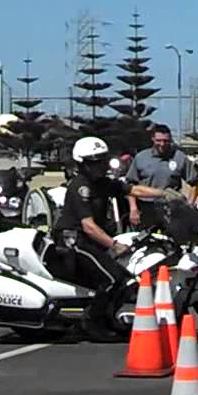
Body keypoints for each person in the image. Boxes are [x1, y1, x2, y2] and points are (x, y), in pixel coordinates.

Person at [50, 136, 133, 340]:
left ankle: (108, 318)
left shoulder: (103, 183)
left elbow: (133, 190)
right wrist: (114, 245)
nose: (101, 166)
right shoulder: (80, 186)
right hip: (74, 241)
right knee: (112, 279)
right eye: (95, 162)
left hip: (90, 240)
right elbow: (88, 226)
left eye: (103, 160)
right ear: (83, 164)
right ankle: (92, 323)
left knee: (125, 278)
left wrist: (164, 195)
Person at [126, 124, 196, 231]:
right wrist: (133, 208)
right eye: (158, 140)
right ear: (153, 139)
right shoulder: (141, 157)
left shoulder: (179, 157)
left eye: (166, 141)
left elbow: (193, 182)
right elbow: (130, 186)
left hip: (171, 208)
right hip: (146, 207)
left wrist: (190, 205)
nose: (162, 144)